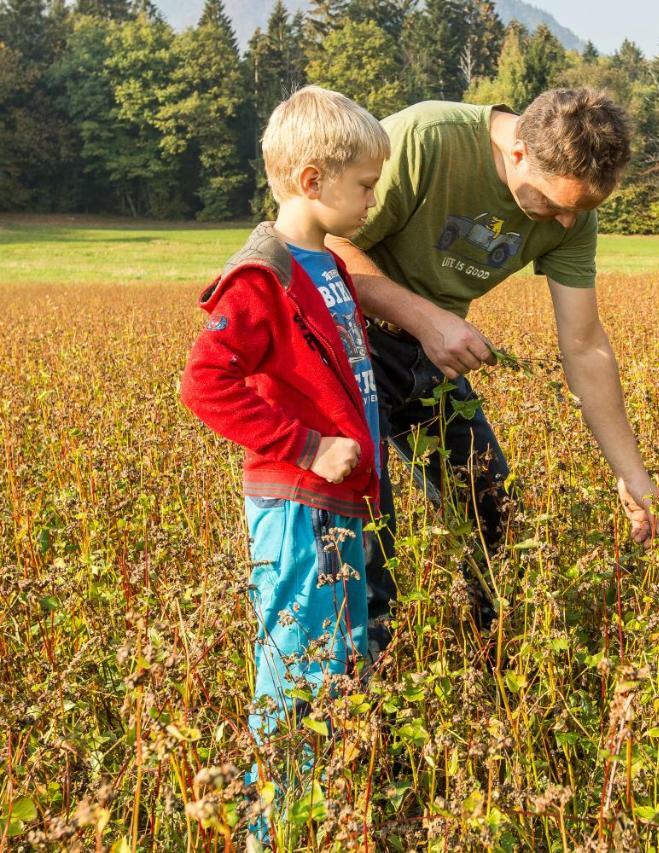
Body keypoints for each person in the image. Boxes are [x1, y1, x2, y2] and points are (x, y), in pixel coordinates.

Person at [326, 88, 659, 653]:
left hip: (430, 355)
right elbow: (325, 243)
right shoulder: (427, 138)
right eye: (552, 205)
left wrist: (631, 474)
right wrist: (426, 318)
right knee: (366, 535)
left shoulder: (571, 212)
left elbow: (584, 345)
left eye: (580, 210)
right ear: (517, 153)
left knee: (493, 513)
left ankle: (496, 671)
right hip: (346, 345)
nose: (564, 221)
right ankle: (363, 708)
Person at [178, 86, 388, 811]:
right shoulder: (264, 276)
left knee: (340, 660)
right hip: (298, 505)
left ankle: (321, 807)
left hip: (337, 503)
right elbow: (204, 384)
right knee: (299, 666)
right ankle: (275, 823)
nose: (371, 201)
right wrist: (305, 445)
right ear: (312, 181)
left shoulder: (327, 264)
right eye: (364, 185)